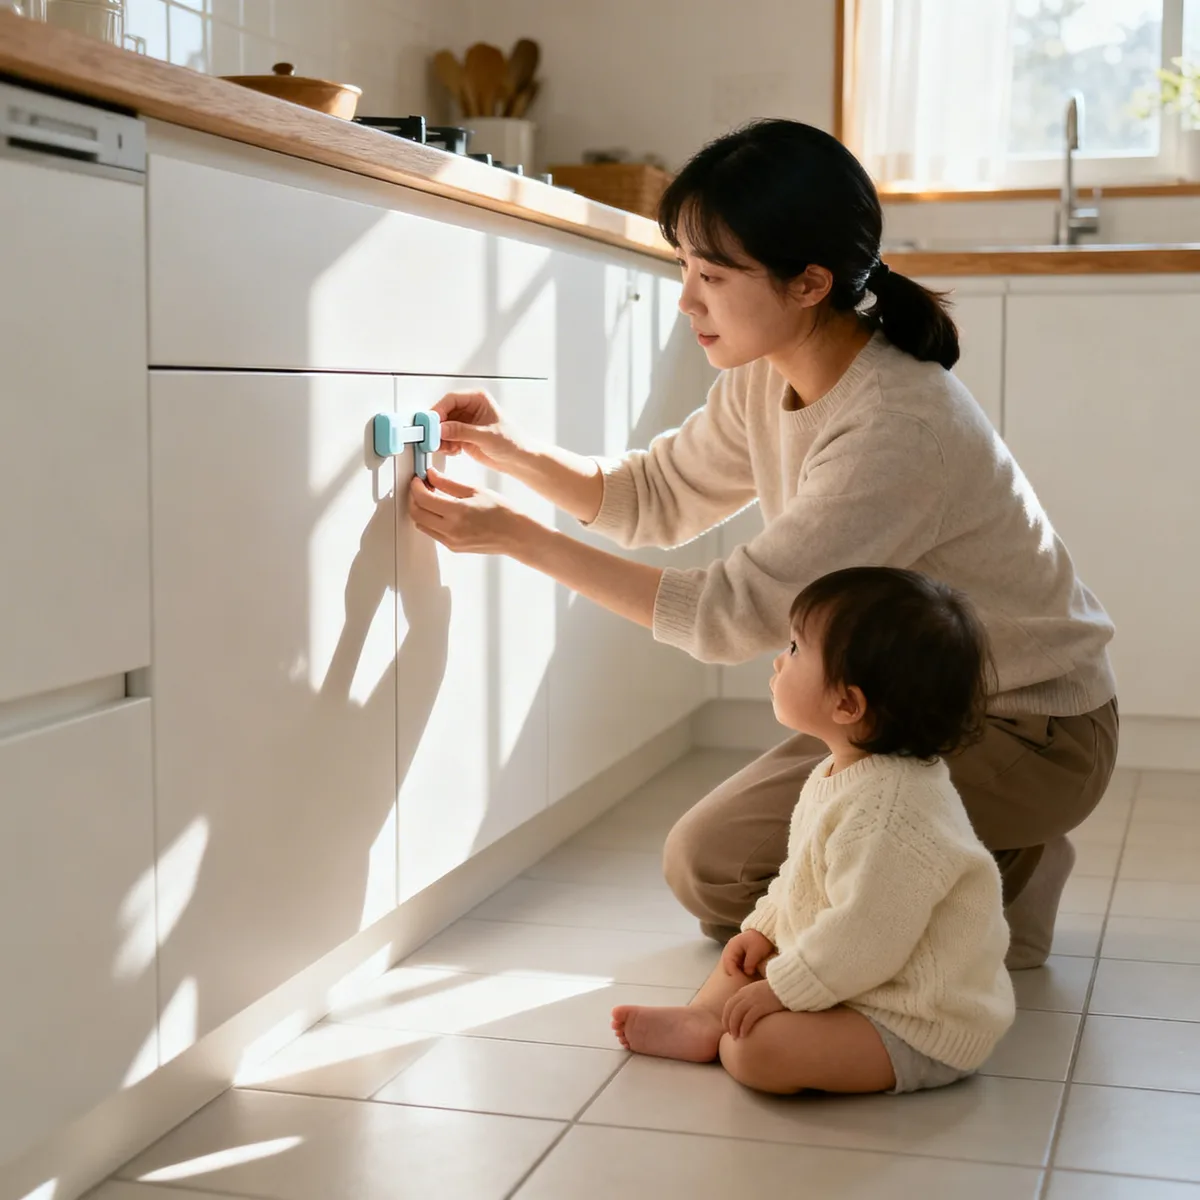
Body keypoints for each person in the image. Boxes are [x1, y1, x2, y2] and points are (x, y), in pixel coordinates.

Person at [407, 118, 1118, 971]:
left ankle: (1003, 869)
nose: (686, 299)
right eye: (684, 268)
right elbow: (656, 498)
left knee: (720, 873)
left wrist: (518, 540)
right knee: (719, 876)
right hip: (918, 704)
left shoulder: (895, 425)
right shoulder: (767, 373)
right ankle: (989, 851)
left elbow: (731, 615)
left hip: (1030, 728)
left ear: (809, 282)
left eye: (711, 274)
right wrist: (511, 450)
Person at [611, 567, 1015, 1094]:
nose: (780, 659)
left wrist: (780, 990)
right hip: (855, 976)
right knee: (743, 957)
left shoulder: (892, 810)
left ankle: (731, 1028)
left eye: (797, 649)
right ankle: (703, 1018)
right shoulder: (840, 772)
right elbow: (799, 878)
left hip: (911, 1017)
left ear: (847, 704)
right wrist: (761, 929)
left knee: (756, 1050)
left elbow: (864, 934)